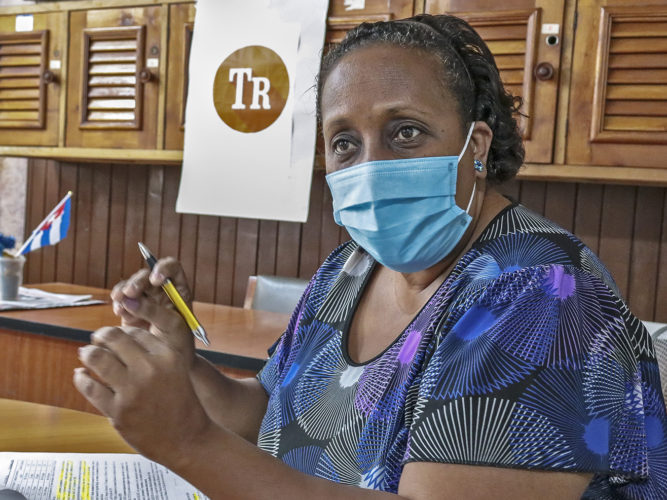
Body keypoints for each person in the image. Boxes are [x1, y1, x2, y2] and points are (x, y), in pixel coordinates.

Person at [74, 14, 667, 499]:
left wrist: (186, 441)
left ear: (476, 146)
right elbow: (272, 420)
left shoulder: (540, 292)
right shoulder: (351, 267)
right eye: (344, 142)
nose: (371, 164)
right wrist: (185, 366)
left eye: (405, 131)